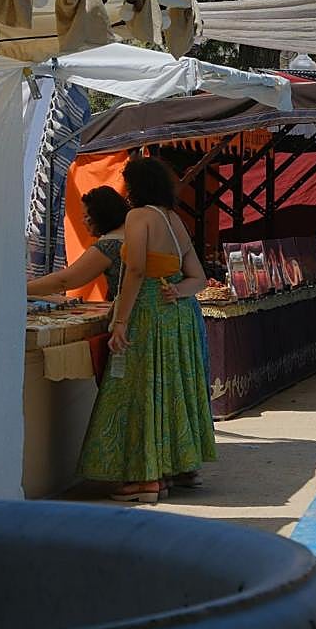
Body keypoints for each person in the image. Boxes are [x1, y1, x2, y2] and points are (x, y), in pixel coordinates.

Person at [79, 157, 217, 503]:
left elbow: (136, 270)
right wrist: (177, 290)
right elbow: (198, 278)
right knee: (171, 389)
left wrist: (120, 321)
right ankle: (176, 468)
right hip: (177, 317)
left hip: (147, 313)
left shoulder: (138, 217)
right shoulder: (174, 220)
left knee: (139, 390)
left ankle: (146, 479)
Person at [27, 186, 129, 298]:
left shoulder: (109, 245)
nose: (83, 221)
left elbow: (63, 281)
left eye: (86, 216)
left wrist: (21, 289)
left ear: (99, 215)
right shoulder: (133, 232)